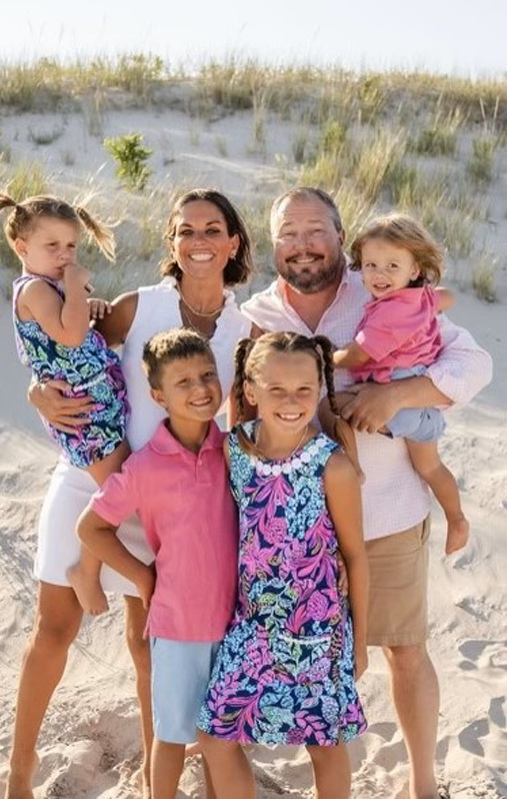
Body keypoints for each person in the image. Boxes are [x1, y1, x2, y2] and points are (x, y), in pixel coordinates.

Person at [0, 188, 253, 799]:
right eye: (185, 229)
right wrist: (37, 390)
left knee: (147, 645)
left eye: (212, 229)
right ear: (170, 242)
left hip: (175, 507)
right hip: (93, 481)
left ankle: (150, 771)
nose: (198, 240)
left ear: (233, 243)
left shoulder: (247, 328)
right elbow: (65, 349)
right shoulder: (139, 307)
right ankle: (20, 768)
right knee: (53, 628)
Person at [239, 187, 493, 799]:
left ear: (339, 235)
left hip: (387, 511)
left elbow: (474, 364)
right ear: (274, 244)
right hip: (295, 533)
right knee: (306, 660)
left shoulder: (382, 289)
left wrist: (397, 396)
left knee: (404, 650)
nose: (303, 244)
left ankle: (423, 784)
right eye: (288, 233)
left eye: (315, 230)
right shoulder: (258, 315)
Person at [197, 332, 368, 799]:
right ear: (251, 391)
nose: (292, 402)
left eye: (304, 391)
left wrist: (360, 640)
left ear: (319, 389)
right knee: (215, 733)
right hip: (251, 626)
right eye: (277, 390)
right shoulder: (235, 449)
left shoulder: (331, 467)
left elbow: (356, 555)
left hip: (316, 629)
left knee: (324, 742)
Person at [78, 328, 239, 799]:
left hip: (236, 623)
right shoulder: (146, 467)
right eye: (183, 382)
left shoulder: (232, 450)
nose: (200, 388)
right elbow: (91, 529)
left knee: (224, 738)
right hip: (177, 623)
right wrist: (141, 575)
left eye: (207, 375)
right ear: (157, 395)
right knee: (170, 734)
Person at [0, 190, 130, 616]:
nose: (65, 255)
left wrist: (84, 303)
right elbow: (70, 336)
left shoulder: (51, 289)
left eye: (71, 246)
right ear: (21, 248)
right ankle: (86, 569)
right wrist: (76, 288)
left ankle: (89, 564)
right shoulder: (34, 290)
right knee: (122, 489)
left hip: (98, 405)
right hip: (82, 413)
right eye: (52, 246)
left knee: (124, 485)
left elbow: (76, 328)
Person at [327, 213, 468, 555]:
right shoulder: (417, 297)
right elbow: (447, 297)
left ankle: (355, 469)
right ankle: (456, 518)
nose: (380, 274)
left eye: (393, 266)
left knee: (333, 408)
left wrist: (328, 357)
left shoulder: (391, 313)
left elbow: (359, 355)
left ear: (415, 269)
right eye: (372, 265)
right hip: (416, 396)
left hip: (397, 390)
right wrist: (429, 303)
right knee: (430, 466)